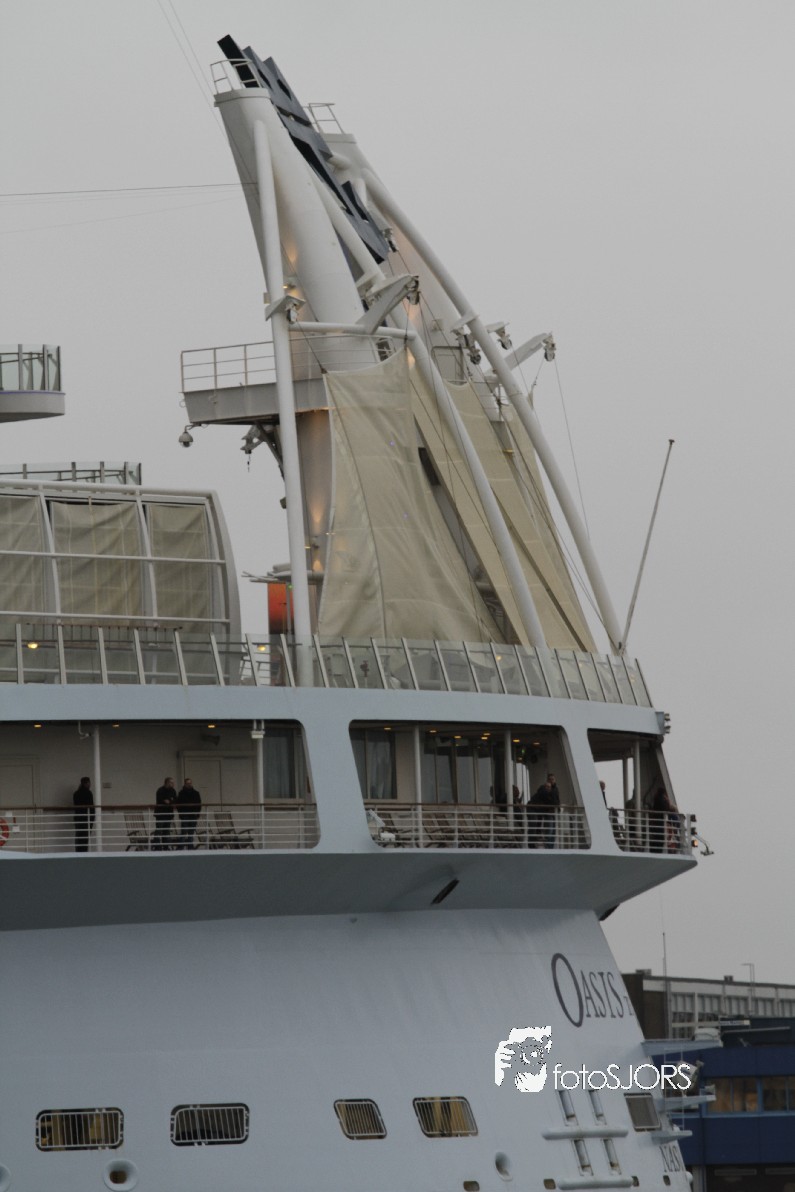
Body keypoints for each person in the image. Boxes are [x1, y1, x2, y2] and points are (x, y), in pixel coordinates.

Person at [529, 773, 560, 848]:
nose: (551, 781)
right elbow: (551, 800)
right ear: (547, 781)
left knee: (552, 829)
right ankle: (533, 844)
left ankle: (550, 846)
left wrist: (556, 807)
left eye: (553, 779)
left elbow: (557, 802)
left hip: (547, 811)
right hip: (537, 810)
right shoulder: (543, 789)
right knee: (535, 825)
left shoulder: (555, 789)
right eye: (550, 779)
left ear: (555, 780)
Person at [176, 778, 201, 850]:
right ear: (185, 784)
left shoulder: (196, 793)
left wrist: (197, 813)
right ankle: (181, 847)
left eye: (190, 783)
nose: (189, 784)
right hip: (185, 815)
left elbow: (199, 804)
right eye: (187, 783)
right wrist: (181, 813)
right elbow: (178, 804)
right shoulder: (181, 793)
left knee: (191, 832)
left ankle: (190, 846)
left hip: (193, 815)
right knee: (184, 831)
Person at [152, 777, 176, 851]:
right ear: (167, 783)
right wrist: (169, 800)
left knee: (166, 831)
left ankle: (165, 847)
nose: (173, 784)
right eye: (172, 782)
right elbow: (161, 800)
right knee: (159, 830)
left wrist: (170, 801)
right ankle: (157, 847)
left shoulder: (173, 790)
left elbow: (175, 800)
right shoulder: (160, 790)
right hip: (161, 814)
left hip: (168, 814)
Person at [73, 775, 95, 852]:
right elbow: (91, 808)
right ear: (87, 783)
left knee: (78, 836)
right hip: (87, 818)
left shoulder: (76, 793)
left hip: (78, 818)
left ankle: (78, 852)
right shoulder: (88, 793)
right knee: (85, 838)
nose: (90, 784)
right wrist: (92, 818)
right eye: (89, 783)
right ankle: (84, 852)